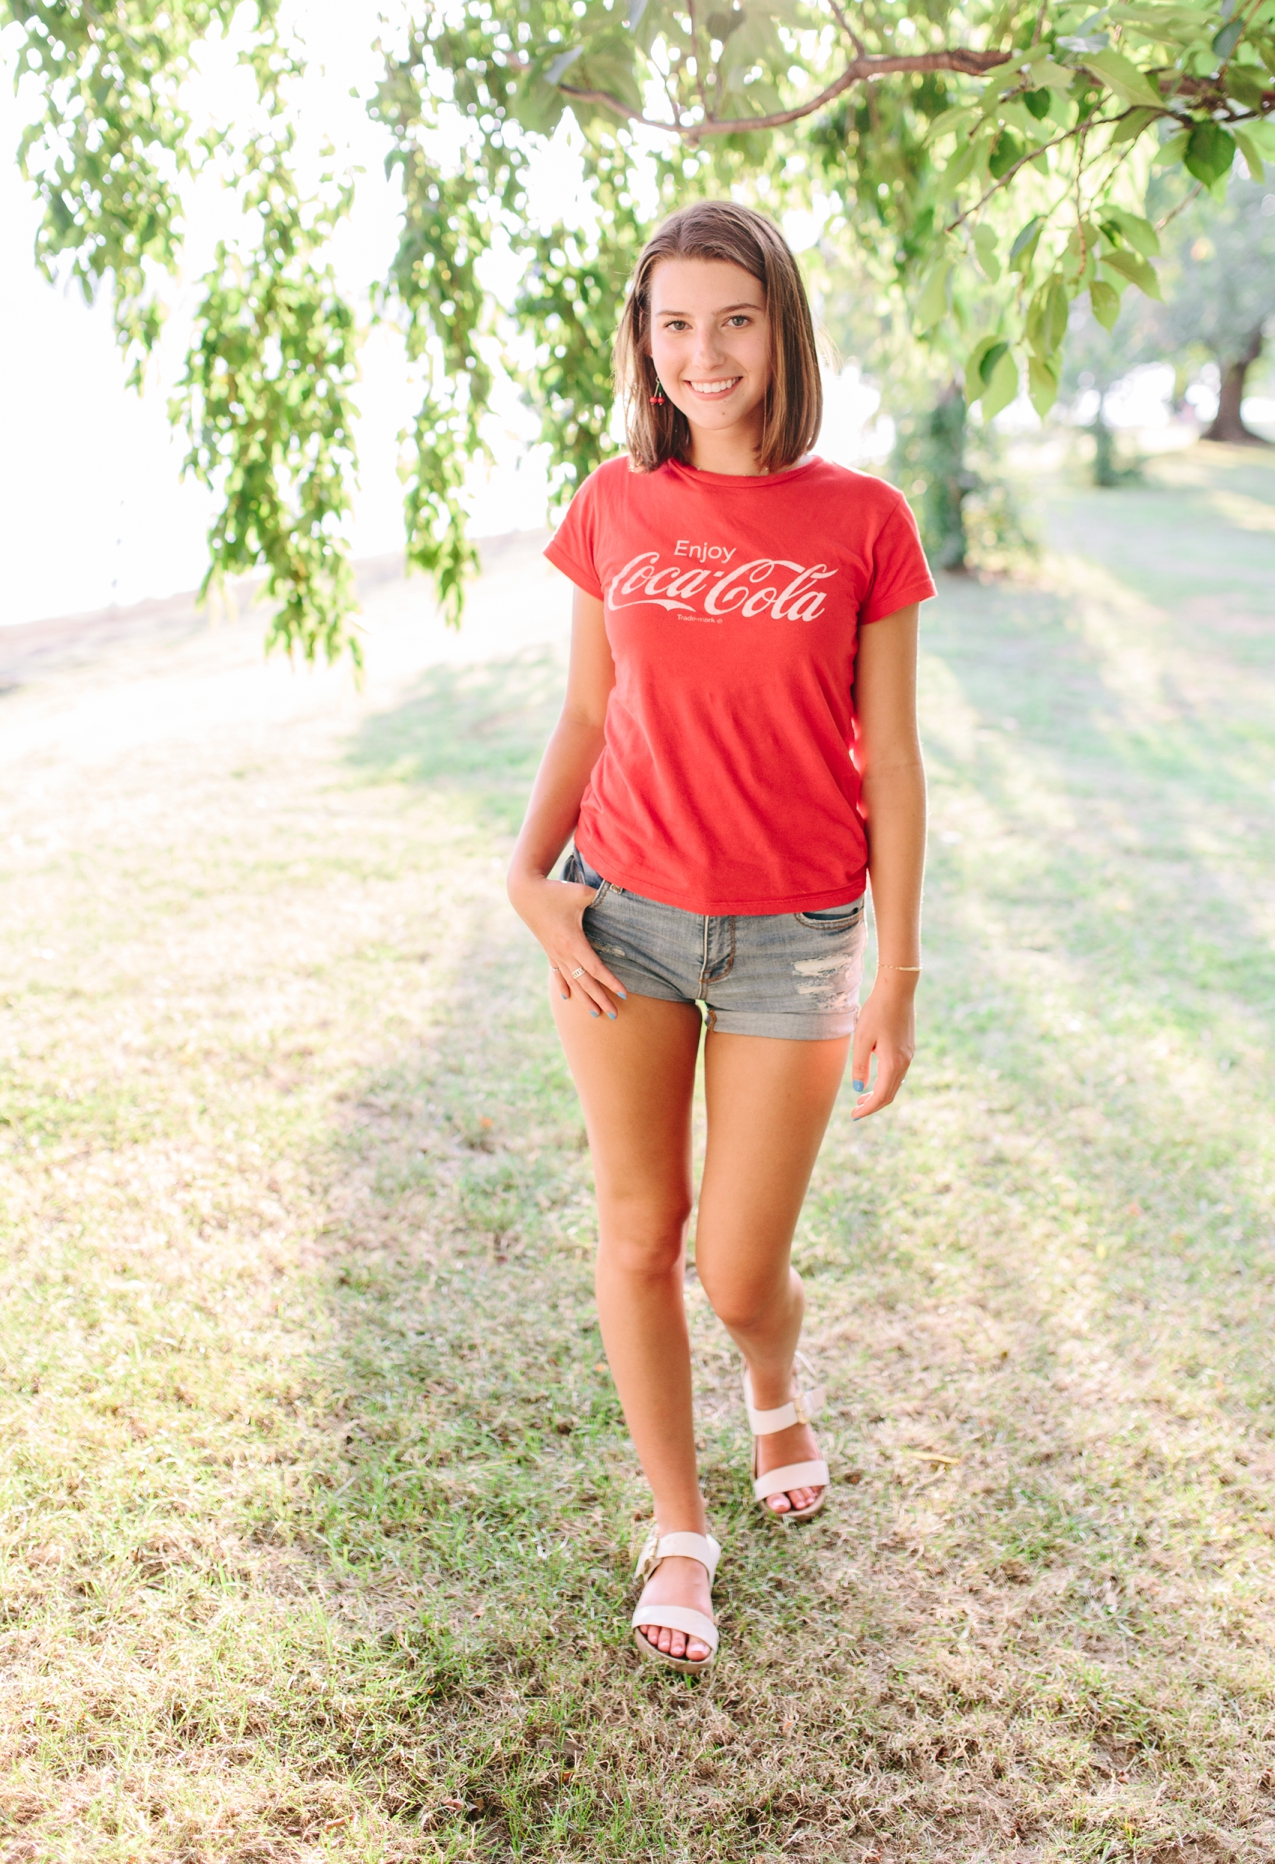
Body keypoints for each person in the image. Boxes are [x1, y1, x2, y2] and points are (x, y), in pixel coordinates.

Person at [507, 201, 934, 1672]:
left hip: (796, 939)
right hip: (621, 921)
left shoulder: (863, 519)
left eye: (734, 320)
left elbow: (893, 756)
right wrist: (525, 876)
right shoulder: (612, 506)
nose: (704, 352)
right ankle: (679, 1531)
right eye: (674, 324)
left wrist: (898, 969)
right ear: (644, 339)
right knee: (639, 1232)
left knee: (741, 1269)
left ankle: (772, 1377)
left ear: (781, 329)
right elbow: (584, 714)